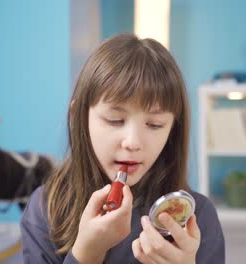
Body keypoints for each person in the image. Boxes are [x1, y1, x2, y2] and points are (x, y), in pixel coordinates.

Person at [20, 33, 225, 263]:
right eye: (115, 120)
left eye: (154, 124)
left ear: (172, 130)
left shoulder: (198, 218)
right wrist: (86, 255)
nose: (133, 142)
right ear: (79, 116)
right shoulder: (46, 208)